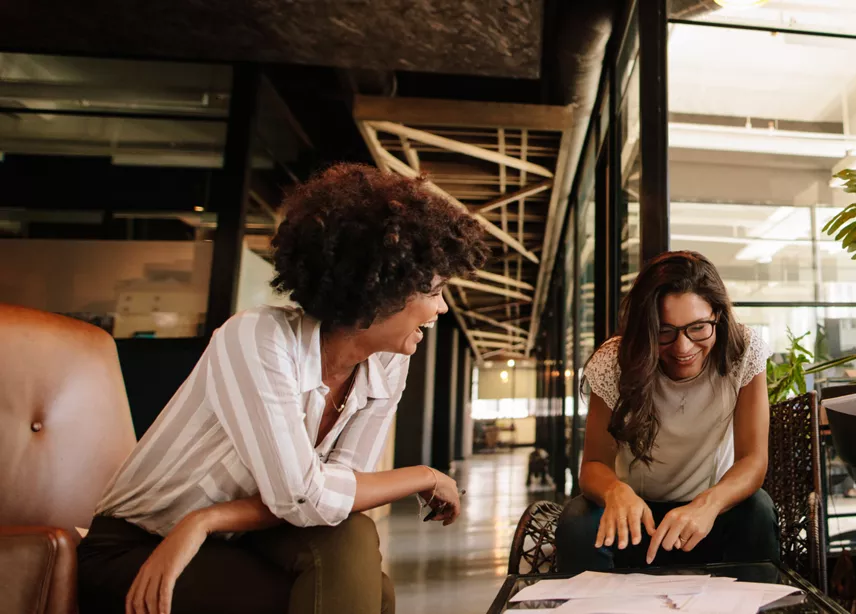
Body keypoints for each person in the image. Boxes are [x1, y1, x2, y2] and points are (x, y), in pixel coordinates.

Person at [77, 164, 488, 614]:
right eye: (433, 292)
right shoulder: (258, 338)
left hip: (233, 534)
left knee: (352, 536)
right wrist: (425, 476)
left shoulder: (387, 364)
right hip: (141, 545)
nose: (441, 308)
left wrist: (205, 520)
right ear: (381, 292)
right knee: (370, 593)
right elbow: (305, 495)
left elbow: (333, 500)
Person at [555, 251, 778, 571]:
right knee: (576, 522)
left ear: (717, 315)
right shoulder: (614, 361)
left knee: (758, 511)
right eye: (664, 331)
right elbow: (592, 465)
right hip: (636, 522)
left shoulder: (743, 349)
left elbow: (752, 460)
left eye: (698, 327)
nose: (683, 347)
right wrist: (614, 491)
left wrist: (709, 504)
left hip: (708, 516)